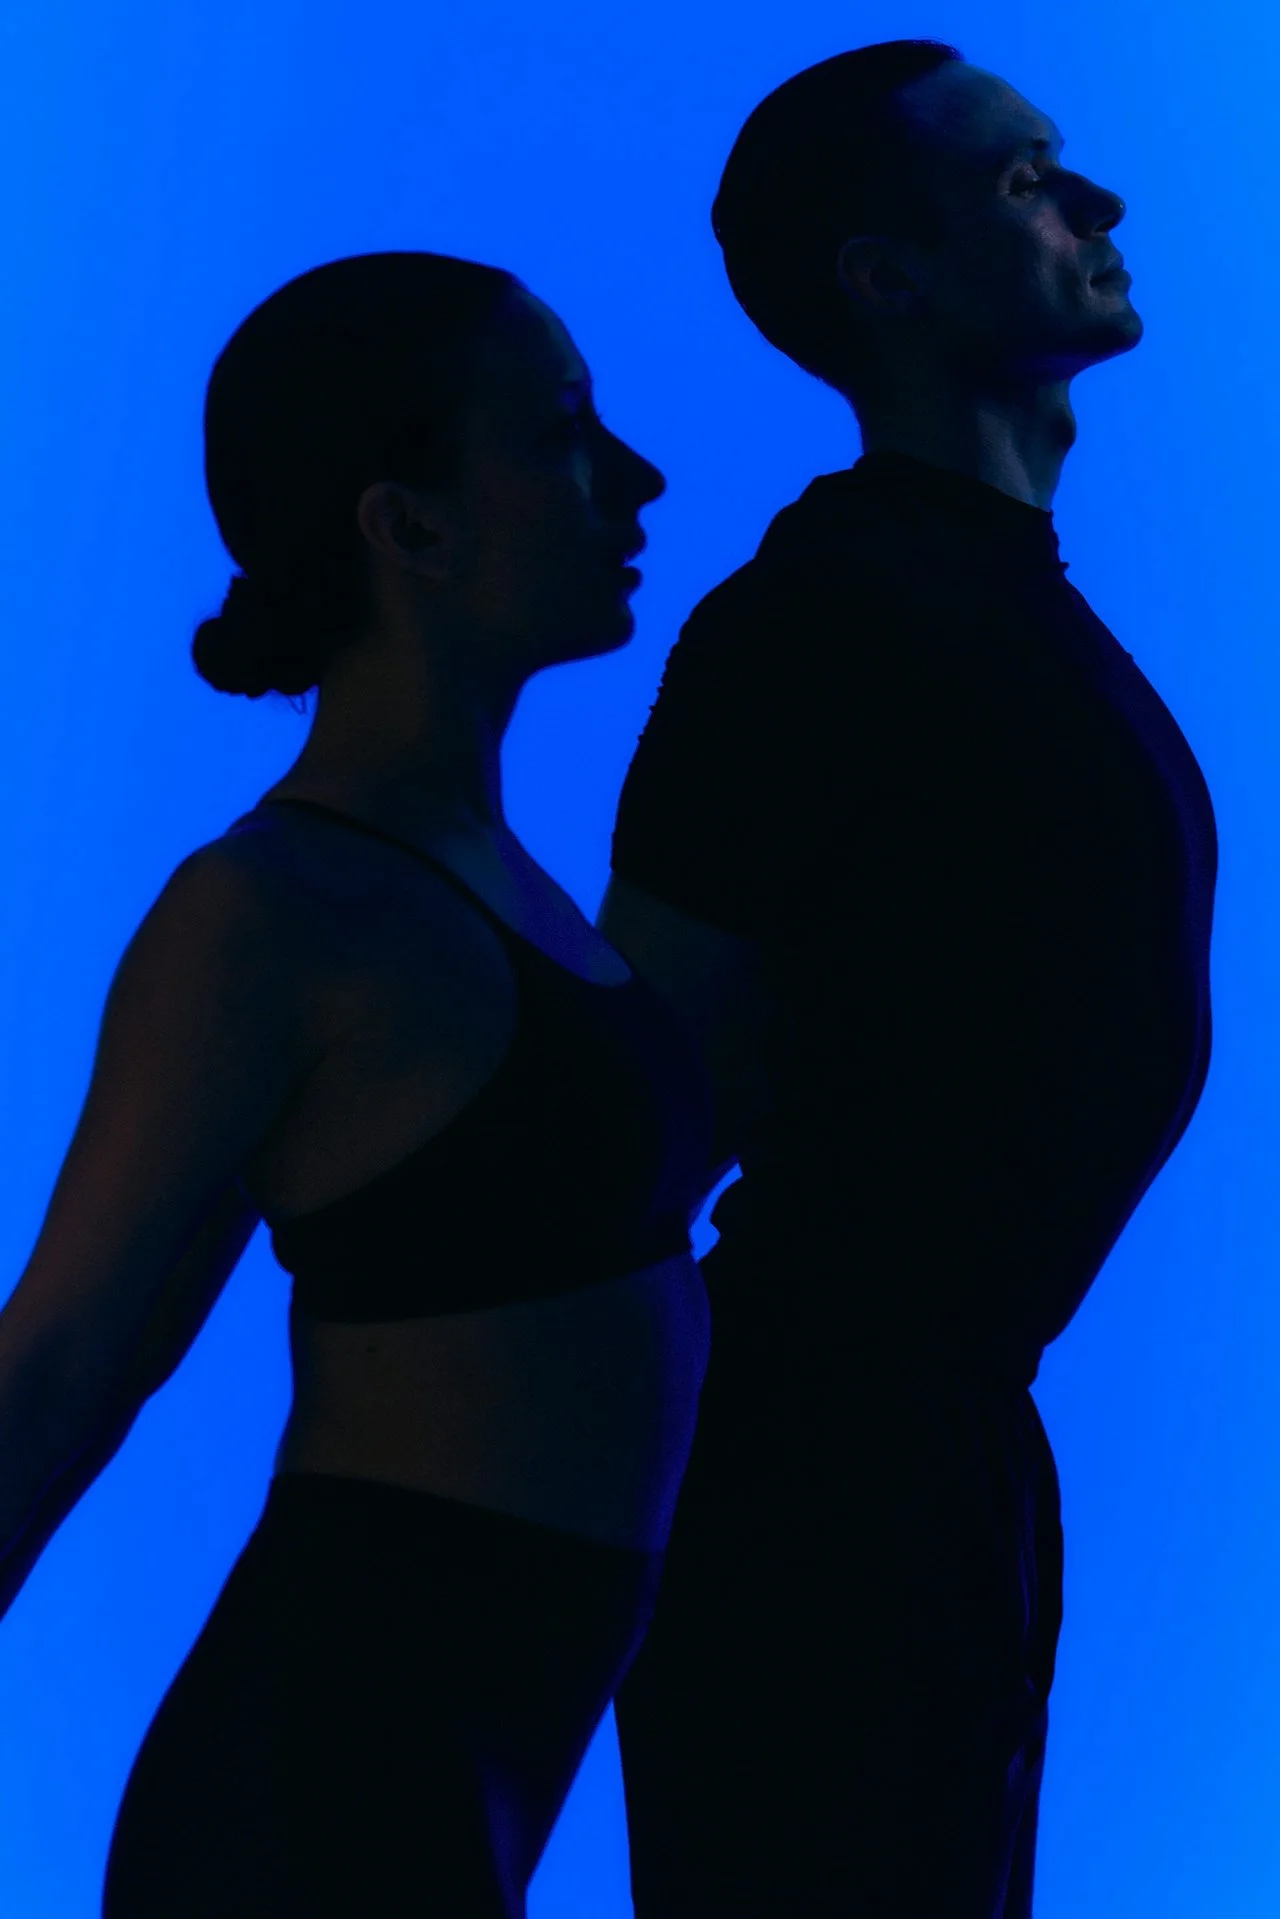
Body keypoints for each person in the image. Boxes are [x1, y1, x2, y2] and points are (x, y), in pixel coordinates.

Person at [0, 250, 714, 1917]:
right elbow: (67, 1360)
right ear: (409, 526)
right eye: (558, 433)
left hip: (461, 1779)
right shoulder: (268, 913)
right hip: (319, 1800)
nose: (636, 477)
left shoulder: (488, 875)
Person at [602, 41, 1217, 1918]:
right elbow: (633, 1119)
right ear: (891, 277)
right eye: (1032, 177)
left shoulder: (981, 597)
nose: (1095, 203)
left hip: (936, 1483)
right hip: (820, 1504)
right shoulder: (817, 620)